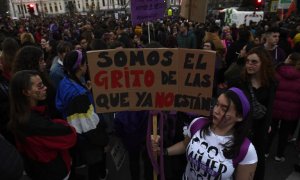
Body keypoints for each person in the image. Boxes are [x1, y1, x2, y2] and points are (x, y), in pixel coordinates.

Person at [153, 87, 257, 179]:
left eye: (224, 108)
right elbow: (185, 145)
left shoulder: (246, 149)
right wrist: (163, 152)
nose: (216, 111)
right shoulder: (198, 124)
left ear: (239, 117)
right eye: (216, 104)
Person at [8, 70, 77, 180]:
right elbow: (70, 135)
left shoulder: (20, 114)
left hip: (40, 169)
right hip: (54, 172)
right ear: (26, 92)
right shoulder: (33, 123)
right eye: (39, 86)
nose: (45, 88)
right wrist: (59, 123)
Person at [56, 50, 109, 180]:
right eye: (86, 63)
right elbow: (88, 128)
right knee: (94, 168)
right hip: (87, 140)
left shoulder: (65, 81)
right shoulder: (77, 94)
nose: (87, 66)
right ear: (80, 66)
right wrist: (104, 141)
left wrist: (86, 90)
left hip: (76, 133)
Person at [229, 46, 277, 180]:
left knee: (256, 163)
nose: (249, 64)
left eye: (254, 62)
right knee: (237, 163)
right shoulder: (239, 82)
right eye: (248, 61)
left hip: (260, 132)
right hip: (240, 130)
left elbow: (270, 106)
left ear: (264, 64)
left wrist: (269, 123)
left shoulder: (271, 83)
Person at [266, 52, 300, 162]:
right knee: (284, 133)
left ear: (289, 59)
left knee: (271, 130)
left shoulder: (278, 70)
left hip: (275, 106)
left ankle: (265, 151)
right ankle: (279, 155)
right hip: (291, 110)